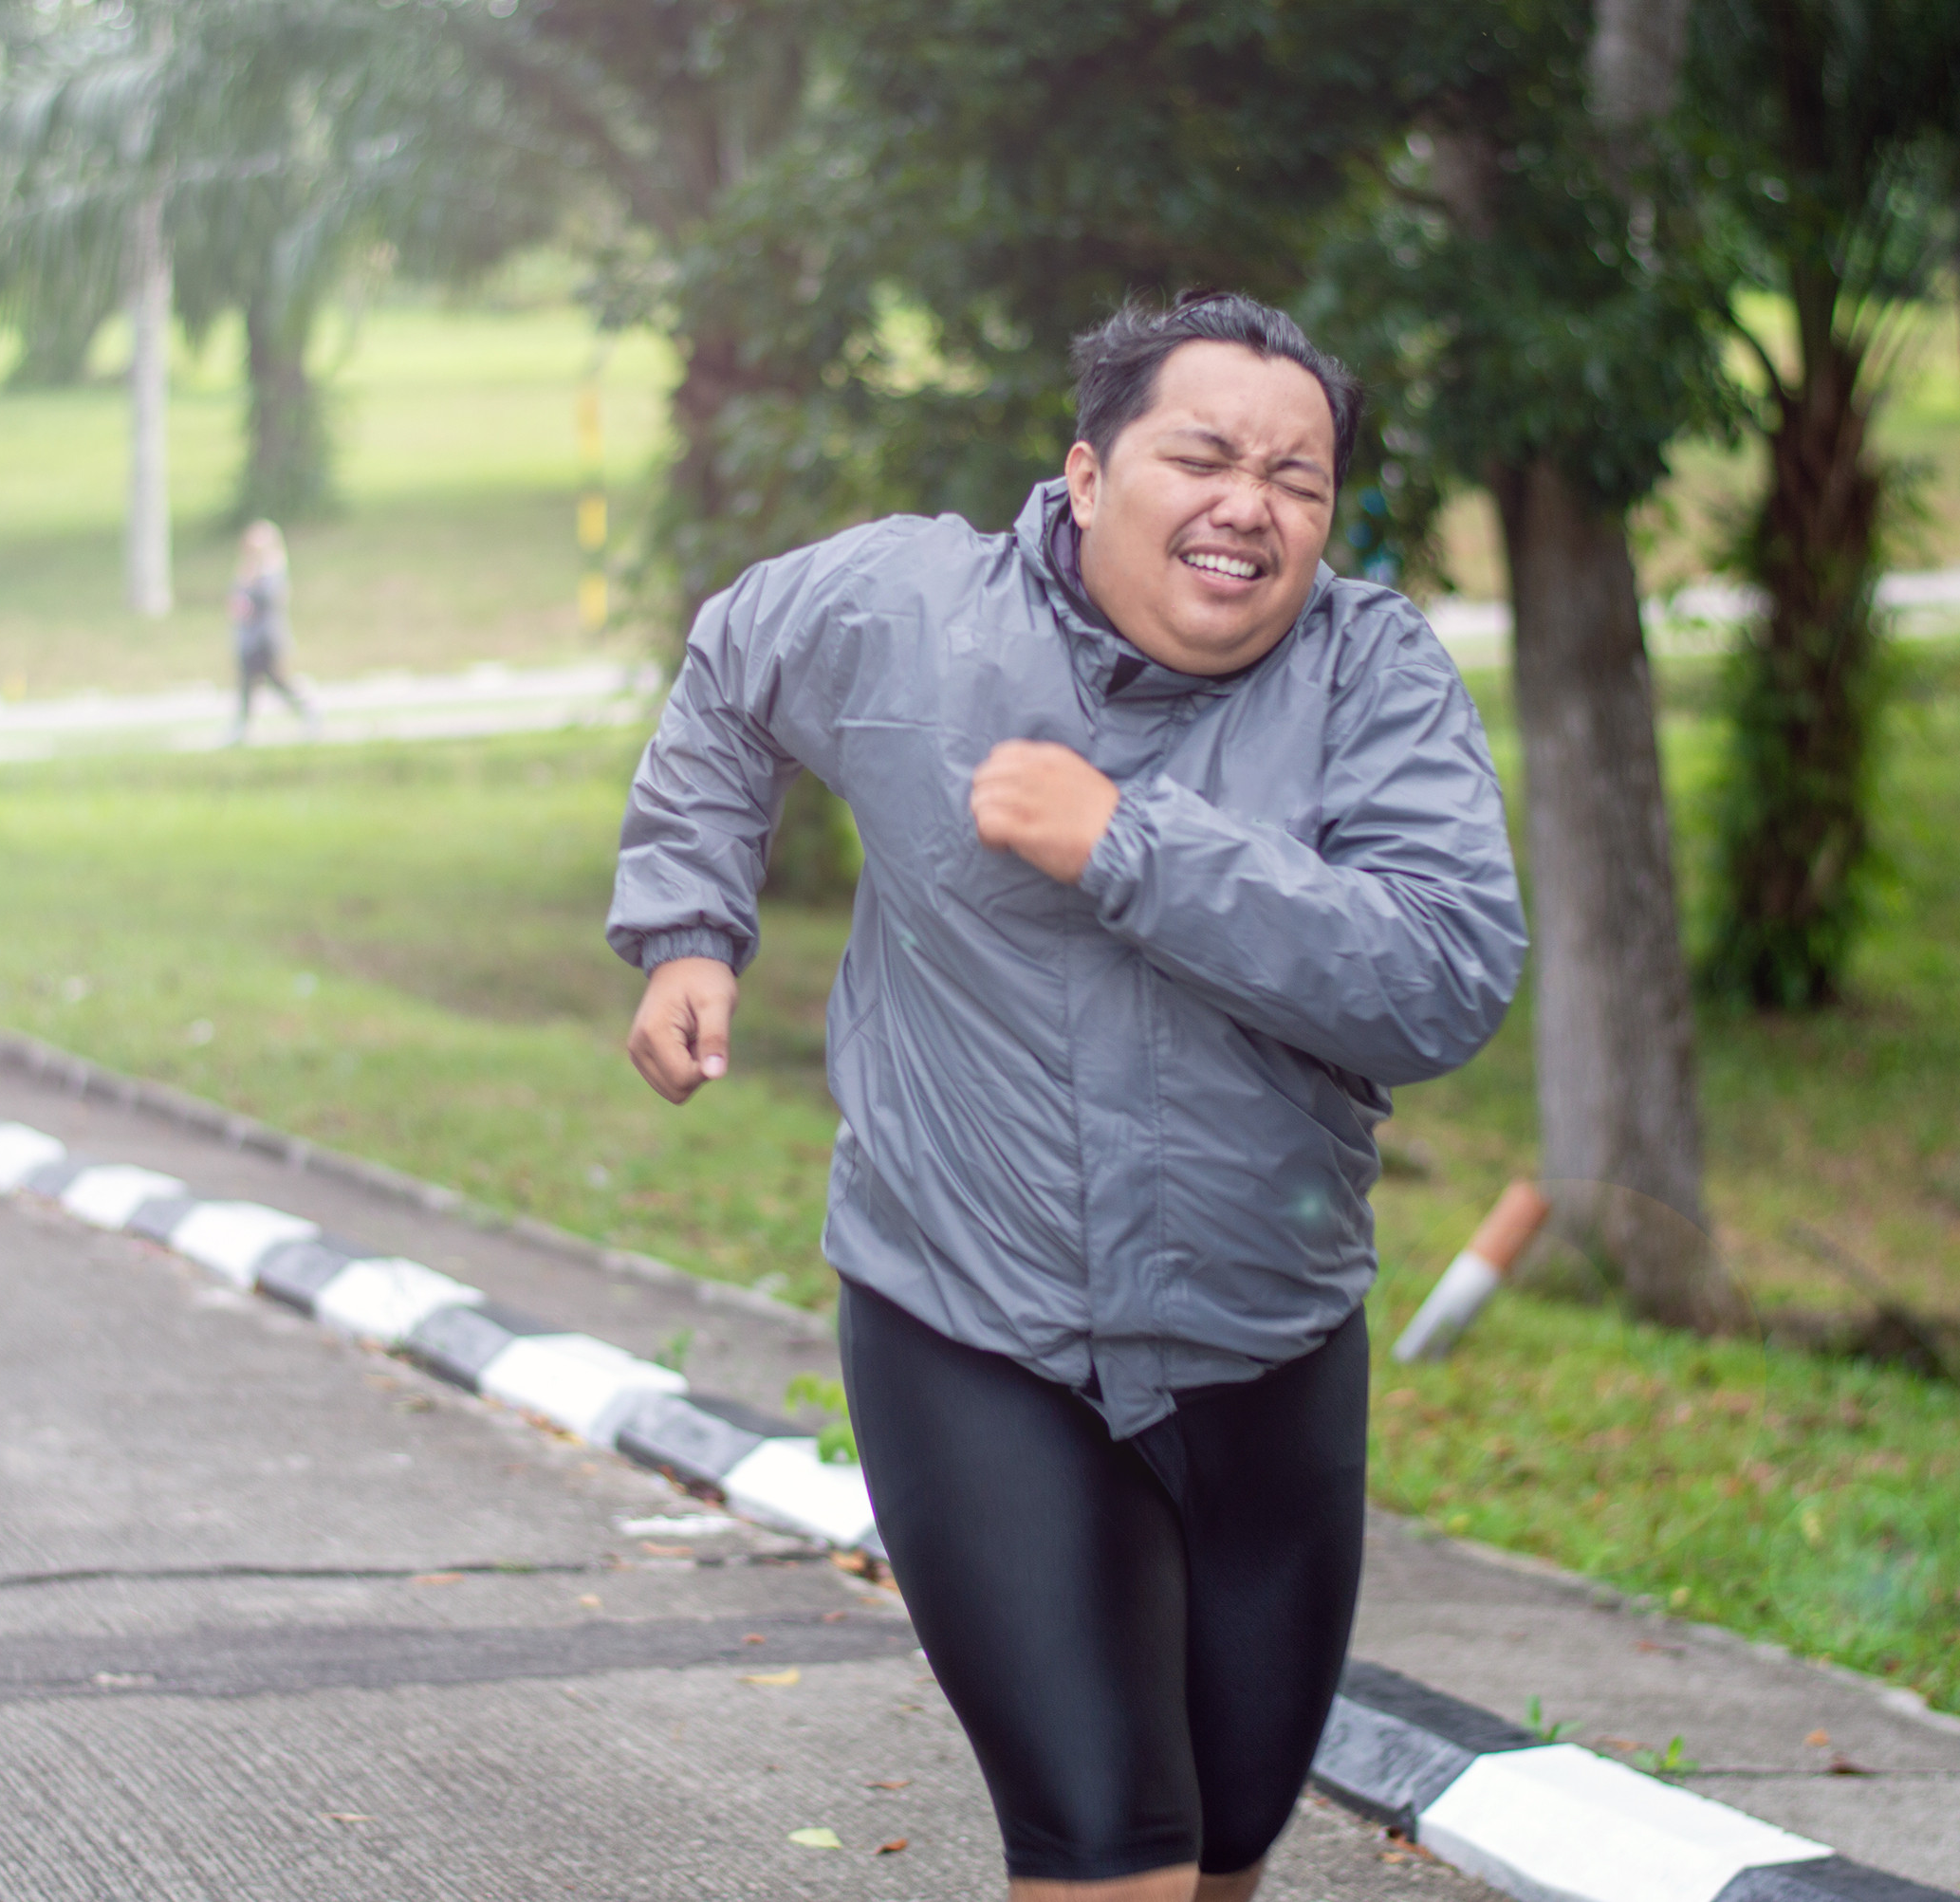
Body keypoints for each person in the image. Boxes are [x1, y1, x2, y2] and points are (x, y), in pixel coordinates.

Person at [607, 291, 1525, 1902]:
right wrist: (688, 927)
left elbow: (1443, 978)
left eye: (1298, 478)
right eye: (1206, 456)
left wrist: (1128, 844)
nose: (1253, 502)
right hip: (976, 1331)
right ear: (1089, 475)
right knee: (1112, 1856)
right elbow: (730, 670)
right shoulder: (908, 614)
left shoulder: (1369, 676)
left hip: (1270, 1343)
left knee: (1227, 1851)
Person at [226, 519, 317, 744]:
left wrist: (252, 586)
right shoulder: (246, 569)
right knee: (247, 684)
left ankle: (307, 711)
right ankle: (241, 728)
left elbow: (271, 600)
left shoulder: (272, 569)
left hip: (266, 638)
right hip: (248, 638)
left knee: (276, 681)